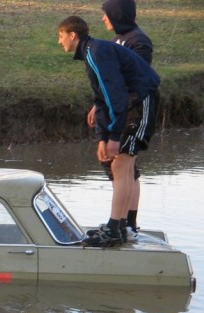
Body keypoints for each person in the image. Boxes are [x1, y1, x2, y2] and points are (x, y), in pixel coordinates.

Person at [57, 15, 160, 247]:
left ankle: (117, 229)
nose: (59, 41)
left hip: (142, 101)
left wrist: (113, 137)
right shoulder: (92, 52)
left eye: (60, 36)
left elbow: (115, 96)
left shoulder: (96, 51)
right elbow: (101, 97)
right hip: (132, 102)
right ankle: (119, 226)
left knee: (122, 164)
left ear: (73, 35)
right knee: (119, 164)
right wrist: (103, 138)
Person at [86, 0, 154, 240]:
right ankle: (123, 223)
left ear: (117, 14)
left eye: (106, 15)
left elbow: (138, 78)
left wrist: (117, 106)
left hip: (135, 107)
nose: (104, 19)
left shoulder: (139, 40)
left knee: (124, 165)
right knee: (123, 167)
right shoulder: (115, 40)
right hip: (119, 107)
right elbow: (110, 79)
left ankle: (126, 224)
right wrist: (99, 104)